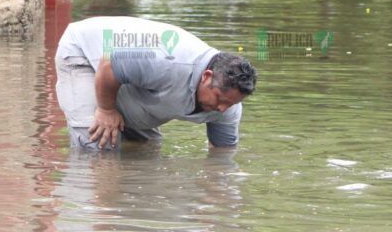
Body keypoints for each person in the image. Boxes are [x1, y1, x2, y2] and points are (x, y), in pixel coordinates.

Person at [54, 16, 256, 151]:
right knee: (98, 147)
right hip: (85, 54)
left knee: (148, 148)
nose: (222, 109)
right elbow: (108, 63)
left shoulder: (228, 108)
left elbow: (222, 156)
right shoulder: (167, 61)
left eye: (230, 104)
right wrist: (106, 110)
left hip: (125, 75)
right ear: (207, 76)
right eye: (220, 99)